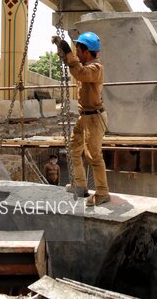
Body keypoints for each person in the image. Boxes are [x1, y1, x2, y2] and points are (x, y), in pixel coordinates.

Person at [52, 32, 111, 206]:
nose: (76, 53)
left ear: (86, 51)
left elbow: (80, 72)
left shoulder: (95, 67)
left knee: (94, 156)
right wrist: (61, 49)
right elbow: (73, 66)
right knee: (74, 149)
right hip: (84, 117)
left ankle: (102, 192)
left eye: (78, 49)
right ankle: (80, 185)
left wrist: (66, 50)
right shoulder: (84, 64)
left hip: (94, 118)